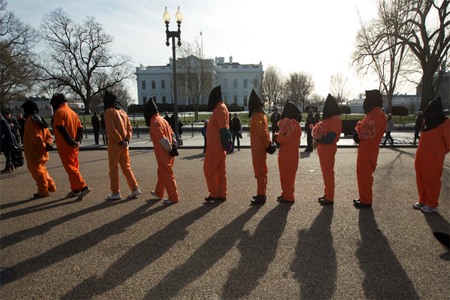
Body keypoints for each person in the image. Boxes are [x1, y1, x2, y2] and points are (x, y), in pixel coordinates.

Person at [413, 97, 449, 213]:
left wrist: (438, 153)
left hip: (433, 156)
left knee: (432, 180)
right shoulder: (430, 122)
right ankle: (423, 199)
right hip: (422, 155)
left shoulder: (444, 123)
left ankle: (432, 203)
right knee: (421, 178)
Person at [50, 93, 90, 199]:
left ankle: (82, 187)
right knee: (74, 167)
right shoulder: (72, 112)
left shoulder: (59, 112)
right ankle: (75, 188)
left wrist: (71, 141)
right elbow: (80, 128)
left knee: (70, 168)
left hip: (65, 144)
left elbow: (61, 129)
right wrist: (77, 141)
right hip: (74, 145)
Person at [103, 91, 141, 201]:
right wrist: (126, 141)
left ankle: (115, 192)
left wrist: (120, 141)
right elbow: (129, 128)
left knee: (113, 168)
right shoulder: (123, 112)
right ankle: (134, 187)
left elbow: (111, 128)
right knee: (126, 167)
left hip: (115, 144)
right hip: (125, 144)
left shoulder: (109, 112)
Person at [352, 90, 386, 208]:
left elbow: (370, 132)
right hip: (365, 148)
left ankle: (366, 200)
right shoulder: (373, 113)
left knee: (365, 174)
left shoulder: (378, 114)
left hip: (369, 148)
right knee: (361, 173)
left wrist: (359, 134)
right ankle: (363, 197)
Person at [145, 98, 179, 204]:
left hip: (163, 152)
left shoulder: (154, 122)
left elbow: (162, 139)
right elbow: (172, 134)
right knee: (162, 172)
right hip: (168, 151)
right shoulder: (163, 120)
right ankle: (159, 192)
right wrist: (174, 147)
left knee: (167, 174)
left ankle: (173, 197)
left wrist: (169, 149)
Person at [21, 100, 56, 198]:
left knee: (38, 173)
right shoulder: (40, 119)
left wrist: (43, 147)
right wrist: (48, 144)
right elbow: (48, 135)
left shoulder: (29, 121)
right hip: (42, 152)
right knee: (42, 170)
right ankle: (51, 186)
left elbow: (36, 137)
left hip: (33, 152)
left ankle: (43, 191)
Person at [203, 86, 231, 202]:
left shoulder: (219, 109)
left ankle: (214, 193)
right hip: (219, 145)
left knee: (208, 169)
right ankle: (222, 193)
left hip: (215, 146)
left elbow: (223, 129)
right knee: (220, 171)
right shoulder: (222, 108)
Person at [248, 89, 276, 205]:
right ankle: (261, 193)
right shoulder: (261, 116)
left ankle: (261, 195)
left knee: (259, 171)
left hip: (258, 148)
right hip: (259, 147)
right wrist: (268, 144)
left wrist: (267, 144)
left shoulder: (257, 117)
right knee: (261, 171)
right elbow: (264, 132)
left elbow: (262, 132)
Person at [315, 94, 342, 205]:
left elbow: (331, 137)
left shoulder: (335, 119)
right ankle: (327, 193)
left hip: (328, 149)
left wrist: (319, 139)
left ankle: (330, 196)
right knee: (326, 173)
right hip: (324, 150)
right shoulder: (331, 119)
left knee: (328, 173)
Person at [273, 100, 302, 203]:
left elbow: (285, 138)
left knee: (287, 175)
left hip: (288, 153)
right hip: (288, 153)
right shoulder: (294, 123)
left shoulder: (293, 124)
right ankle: (285, 193)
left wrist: (276, 137)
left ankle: (289, 195)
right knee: (285, 175)